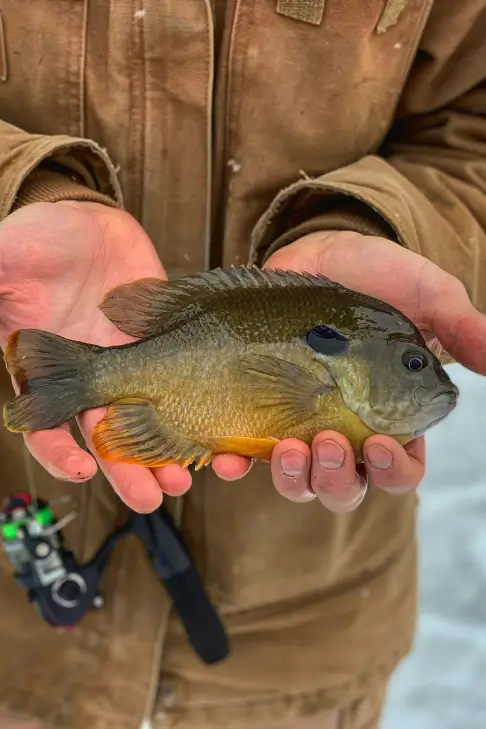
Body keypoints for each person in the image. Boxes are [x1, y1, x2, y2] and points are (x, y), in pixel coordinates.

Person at [0, 1, 485, 727]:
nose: (428, 380)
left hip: (302, 653)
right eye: (413, 365)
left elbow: (470, 126)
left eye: (413, 364)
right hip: (20, 629)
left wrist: (381, 224)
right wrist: (21, 188)